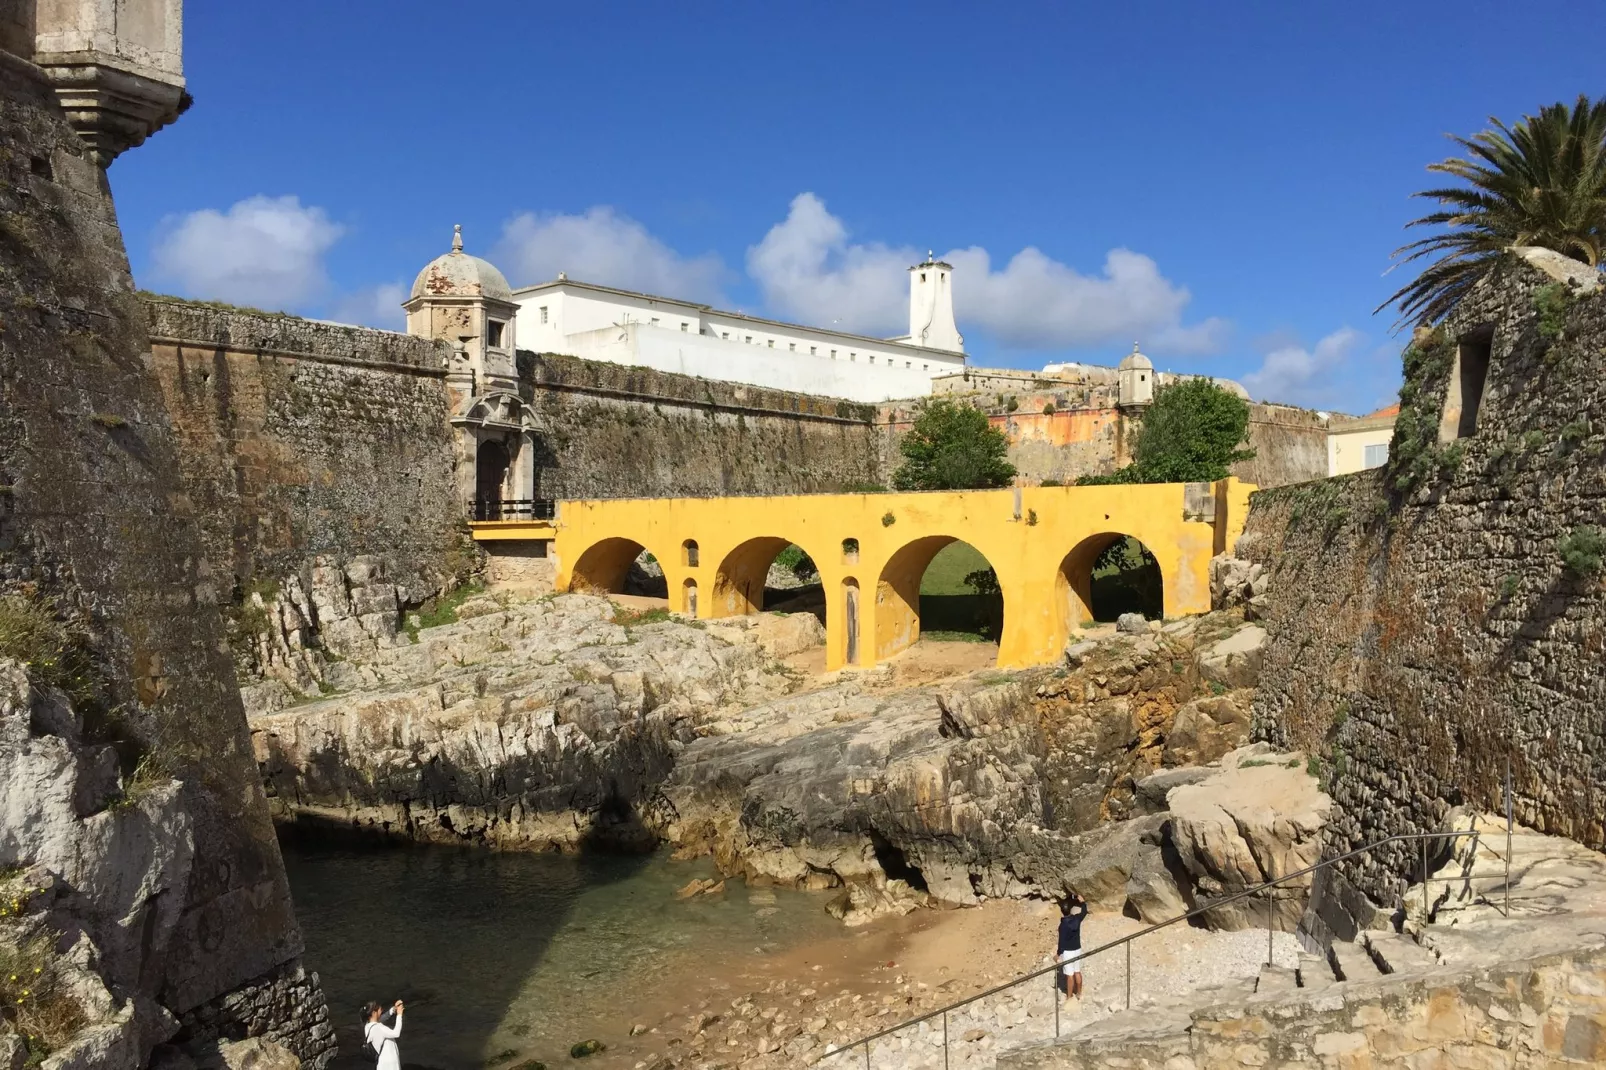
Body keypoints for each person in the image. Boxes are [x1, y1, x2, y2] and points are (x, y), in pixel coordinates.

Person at [1057, 893, 1089, 1003]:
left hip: (1068, 952)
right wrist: (1082, 902)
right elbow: (1084, 912)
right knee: (1077, 971)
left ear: (1062, 911)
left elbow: (1061, 942)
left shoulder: (1063, 925)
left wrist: (1058, 953)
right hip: (1077, 948)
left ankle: (1069, 996)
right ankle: (1079, 993)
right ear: (1070, 910)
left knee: (1069, 975)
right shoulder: (1076, 919)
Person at [363, 999, 404, 1069]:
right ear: (373, 1013)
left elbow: (379, 1019)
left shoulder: (367, 1026)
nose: (381, 1011)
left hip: (382, 1062)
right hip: (389, 1063)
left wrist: (393, 1009)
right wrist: (399, 1015)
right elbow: (396, 1033)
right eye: (380, 1010)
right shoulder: (379, 1028)